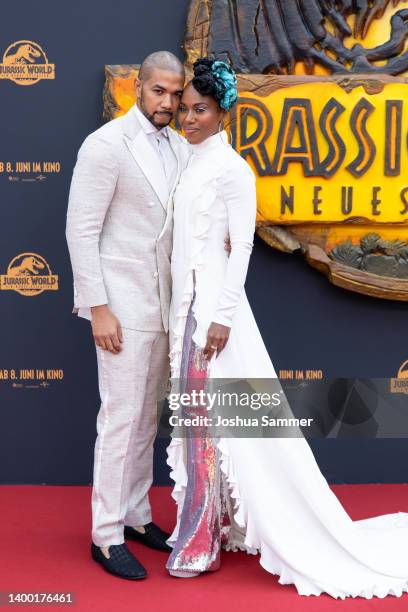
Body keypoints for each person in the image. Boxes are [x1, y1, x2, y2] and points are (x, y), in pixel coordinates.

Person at [165, 57, 408, 599]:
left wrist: (223, 317)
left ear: (223, 111)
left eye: (199, 110)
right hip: (185, 307)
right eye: (184, 110)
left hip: (213, 315)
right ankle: (211, 526)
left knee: (210, 425)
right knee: (196, 424)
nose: (189, 119)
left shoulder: (233, 170)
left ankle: (201, 540)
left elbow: (242, 246)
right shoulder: (188, 160)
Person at [66, 51, 191, 580]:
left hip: (165, 308)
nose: (167, 101)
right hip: (120, 307)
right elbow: (81, 231)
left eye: (175, 93)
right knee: (120, 421)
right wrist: (98, 308)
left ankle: (138, 517)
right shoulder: (104, 146)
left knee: (145, 422)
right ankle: (106, 533)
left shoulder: (182, 146)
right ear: (137, 87)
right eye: (157, 91)